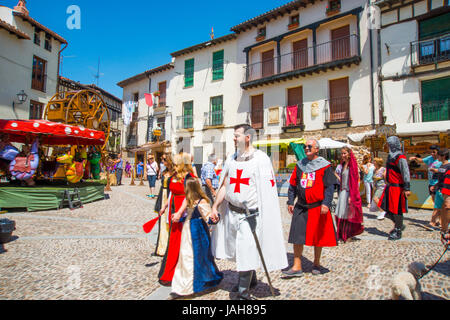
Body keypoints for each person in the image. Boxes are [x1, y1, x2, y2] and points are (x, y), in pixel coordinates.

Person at [209, 124, 287, 300]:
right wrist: (215, 206)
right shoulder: (231, 159)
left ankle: (243, 292)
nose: (234, 138)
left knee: (246, 248)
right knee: (239, 249)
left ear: (248, 137)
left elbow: (267, 191)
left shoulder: (261, 159)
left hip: (250, 215)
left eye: (236, 135)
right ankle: (250, 281)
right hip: (232, 212)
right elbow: (224, 186)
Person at [283, 139, 338, 278]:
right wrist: (290, 201)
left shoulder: (325, 166)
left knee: (317, 236)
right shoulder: (300, 165)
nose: (306, 148)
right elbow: (293, 185)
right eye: (305, 146)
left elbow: (329, 187)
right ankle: (296, 266)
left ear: (316, 149)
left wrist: (326, 203)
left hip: (317, 206)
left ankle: (317, 263)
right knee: (297, 235)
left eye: (309, 146)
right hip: (301, 206)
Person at [170, 177, 223, 298]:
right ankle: (181, 286)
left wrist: (214, 218)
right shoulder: (188, 200)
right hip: (187, 231)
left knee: (193, 259)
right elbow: (187, 215)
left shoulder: (202, 202)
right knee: (185, 258)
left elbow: (209, 218)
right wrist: (178, 217)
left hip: (197, 234)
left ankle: (187, 288)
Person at [157, 153, 195, 286]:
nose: (174, 164)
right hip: (173, 211)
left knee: (183, 243)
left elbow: (188, 196)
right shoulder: (173, 176)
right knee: (173, 242)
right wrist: (164, 206)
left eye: (176, 162)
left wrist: (180, 212)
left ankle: (183, 273)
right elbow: (171, 193)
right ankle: (170, 272)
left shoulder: (189, 177)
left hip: (184, 213)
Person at [378, 136, 411, 240]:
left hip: (397, 187)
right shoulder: (390, 156)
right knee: (385, 207)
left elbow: (405, 172)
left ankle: (398, 229)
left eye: (388, 144)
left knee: (396, 209)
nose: (386, 146)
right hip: (390, 186)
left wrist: (407, 188)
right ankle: (399, 225)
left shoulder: (400, 157)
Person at [334, 147, 364, 243]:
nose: (343, 155)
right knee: (341, 214)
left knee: (348, 214)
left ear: (349, 154)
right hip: (343, 192)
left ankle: (348, 235)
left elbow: (354, 182)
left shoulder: (353, 166)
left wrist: (351, 196)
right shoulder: (343, 165)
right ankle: (341, 234)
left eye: (344, 153)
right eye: (342, 154)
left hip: (349, 192)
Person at [409, 145, 442, 227]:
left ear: (438, 152)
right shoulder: (430, 158)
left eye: (433, 152)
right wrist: (415, 158)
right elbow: (421, 160)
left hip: (438, 183)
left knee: (438, 204)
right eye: (431, 152)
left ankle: (434, 221)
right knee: (436, 203)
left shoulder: (442, 160)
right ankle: (441, 221)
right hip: (431, 183)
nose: (432, 153)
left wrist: (436, 170)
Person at [153, 154, 174, 257]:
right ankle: (162, 247)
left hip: (170, 196)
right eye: (162, 159)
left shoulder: (174, 173)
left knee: (169, 221)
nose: (162, 161)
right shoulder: (164, 171)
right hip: (163, 196)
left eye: (164, 159)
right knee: (162, 222)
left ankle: (170, 247)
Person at [432, 148, 449, 234]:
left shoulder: (448, 166)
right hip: (440, 189)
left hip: (446, 190)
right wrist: (435, 185)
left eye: (439, 155)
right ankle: (443, 226)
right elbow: (441, 179)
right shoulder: (441, 165)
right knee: (440, 208)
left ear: (444, 156)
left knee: (446, 208)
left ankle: (445, 226)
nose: (437, 157)